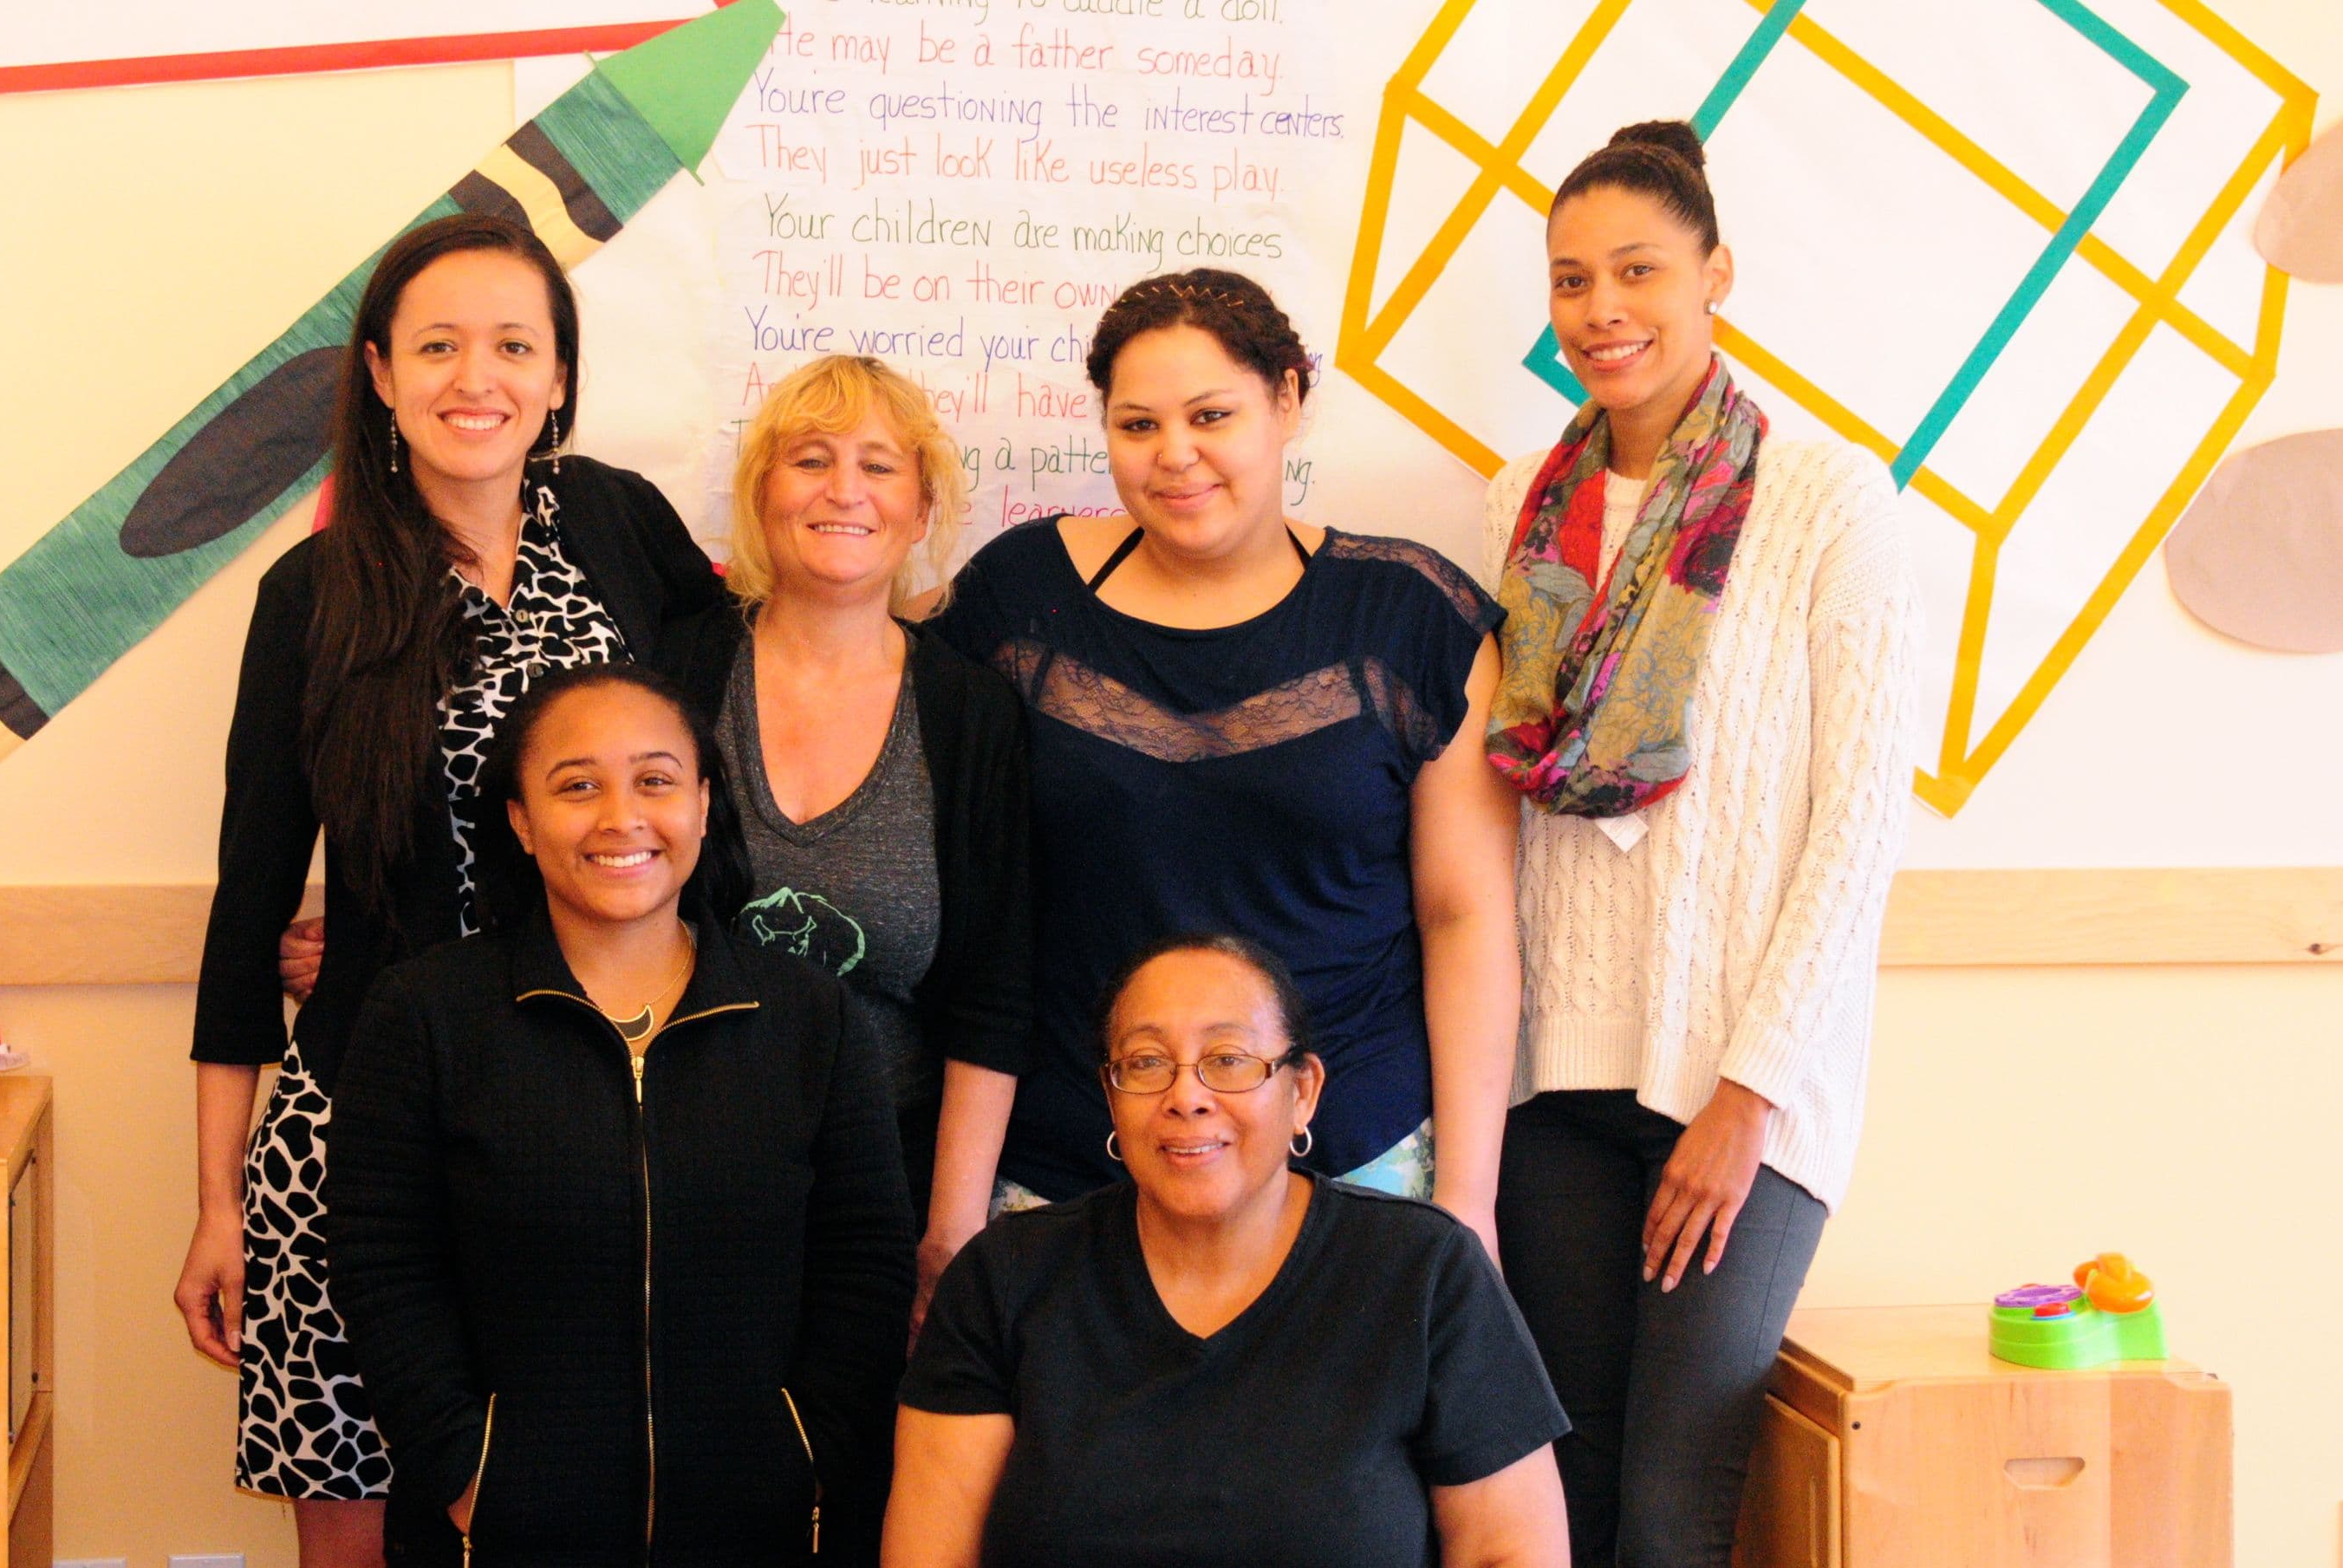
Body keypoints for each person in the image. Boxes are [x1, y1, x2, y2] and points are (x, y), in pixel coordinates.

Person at [172, 211, 723, 1558]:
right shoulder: (315, 595)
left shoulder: (620, 523)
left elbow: (714, 747)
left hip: (589, 1122)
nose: (476, 378)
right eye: (437, 347)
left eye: (514, 346)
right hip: (361, 1122)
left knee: (567, 1511)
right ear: (378, 373)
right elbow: (248, 910)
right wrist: (217, 1203)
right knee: (362, 1528)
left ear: (559, 375)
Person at [1481, 122, 1918, 1567]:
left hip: (1742, 1083)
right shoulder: (1516, 505)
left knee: (1676, 1507)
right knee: (1566, 1491)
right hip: (1553, 1079)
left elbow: (1858, 821)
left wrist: (1748, 1096)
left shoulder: (1828, 499)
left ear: (1714, 273)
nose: (1600, 309)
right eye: (1570, 279)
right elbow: (1499, 804)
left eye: (1637, 271)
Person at [928, 270, 1520, 1263]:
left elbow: (1465, 917)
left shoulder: (1412, 617)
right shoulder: (1016, 602)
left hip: (1357, 1173)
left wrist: (1468, 1200)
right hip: (1069, 1169)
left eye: (1211, 415)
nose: (1175, 454)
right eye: (1138, 425)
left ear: (1288, 400)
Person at [328, 662, 914, 1565]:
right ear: (521, 821)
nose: (620, 817)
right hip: (500, 1532)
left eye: (655, 780)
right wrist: (467, 1473)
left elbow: (866, 1263)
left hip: (763, 1528)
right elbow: (383, 1267)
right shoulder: (425, 1014)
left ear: (705, 804)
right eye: (577, 786)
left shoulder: (809, 1017)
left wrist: (807, 1455)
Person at [888, 934, 1572, 1568]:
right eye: (1146, 1062)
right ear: (1111, 1096)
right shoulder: (1004, 1277)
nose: (1187, 1095)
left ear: (1303, 1091)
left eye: (1228, 1059)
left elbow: (1509, 1549)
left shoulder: (1425, 1269)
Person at [661, 355, 1032, 1326]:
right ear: (761, 493)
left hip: (884, 1186)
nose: (843, 490)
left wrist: (950, 1234)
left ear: (921, 508)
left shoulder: (971, 714)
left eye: (878, 465)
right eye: (811, 459)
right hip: (664, 1164)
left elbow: (994, 991)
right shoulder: (676, 669)